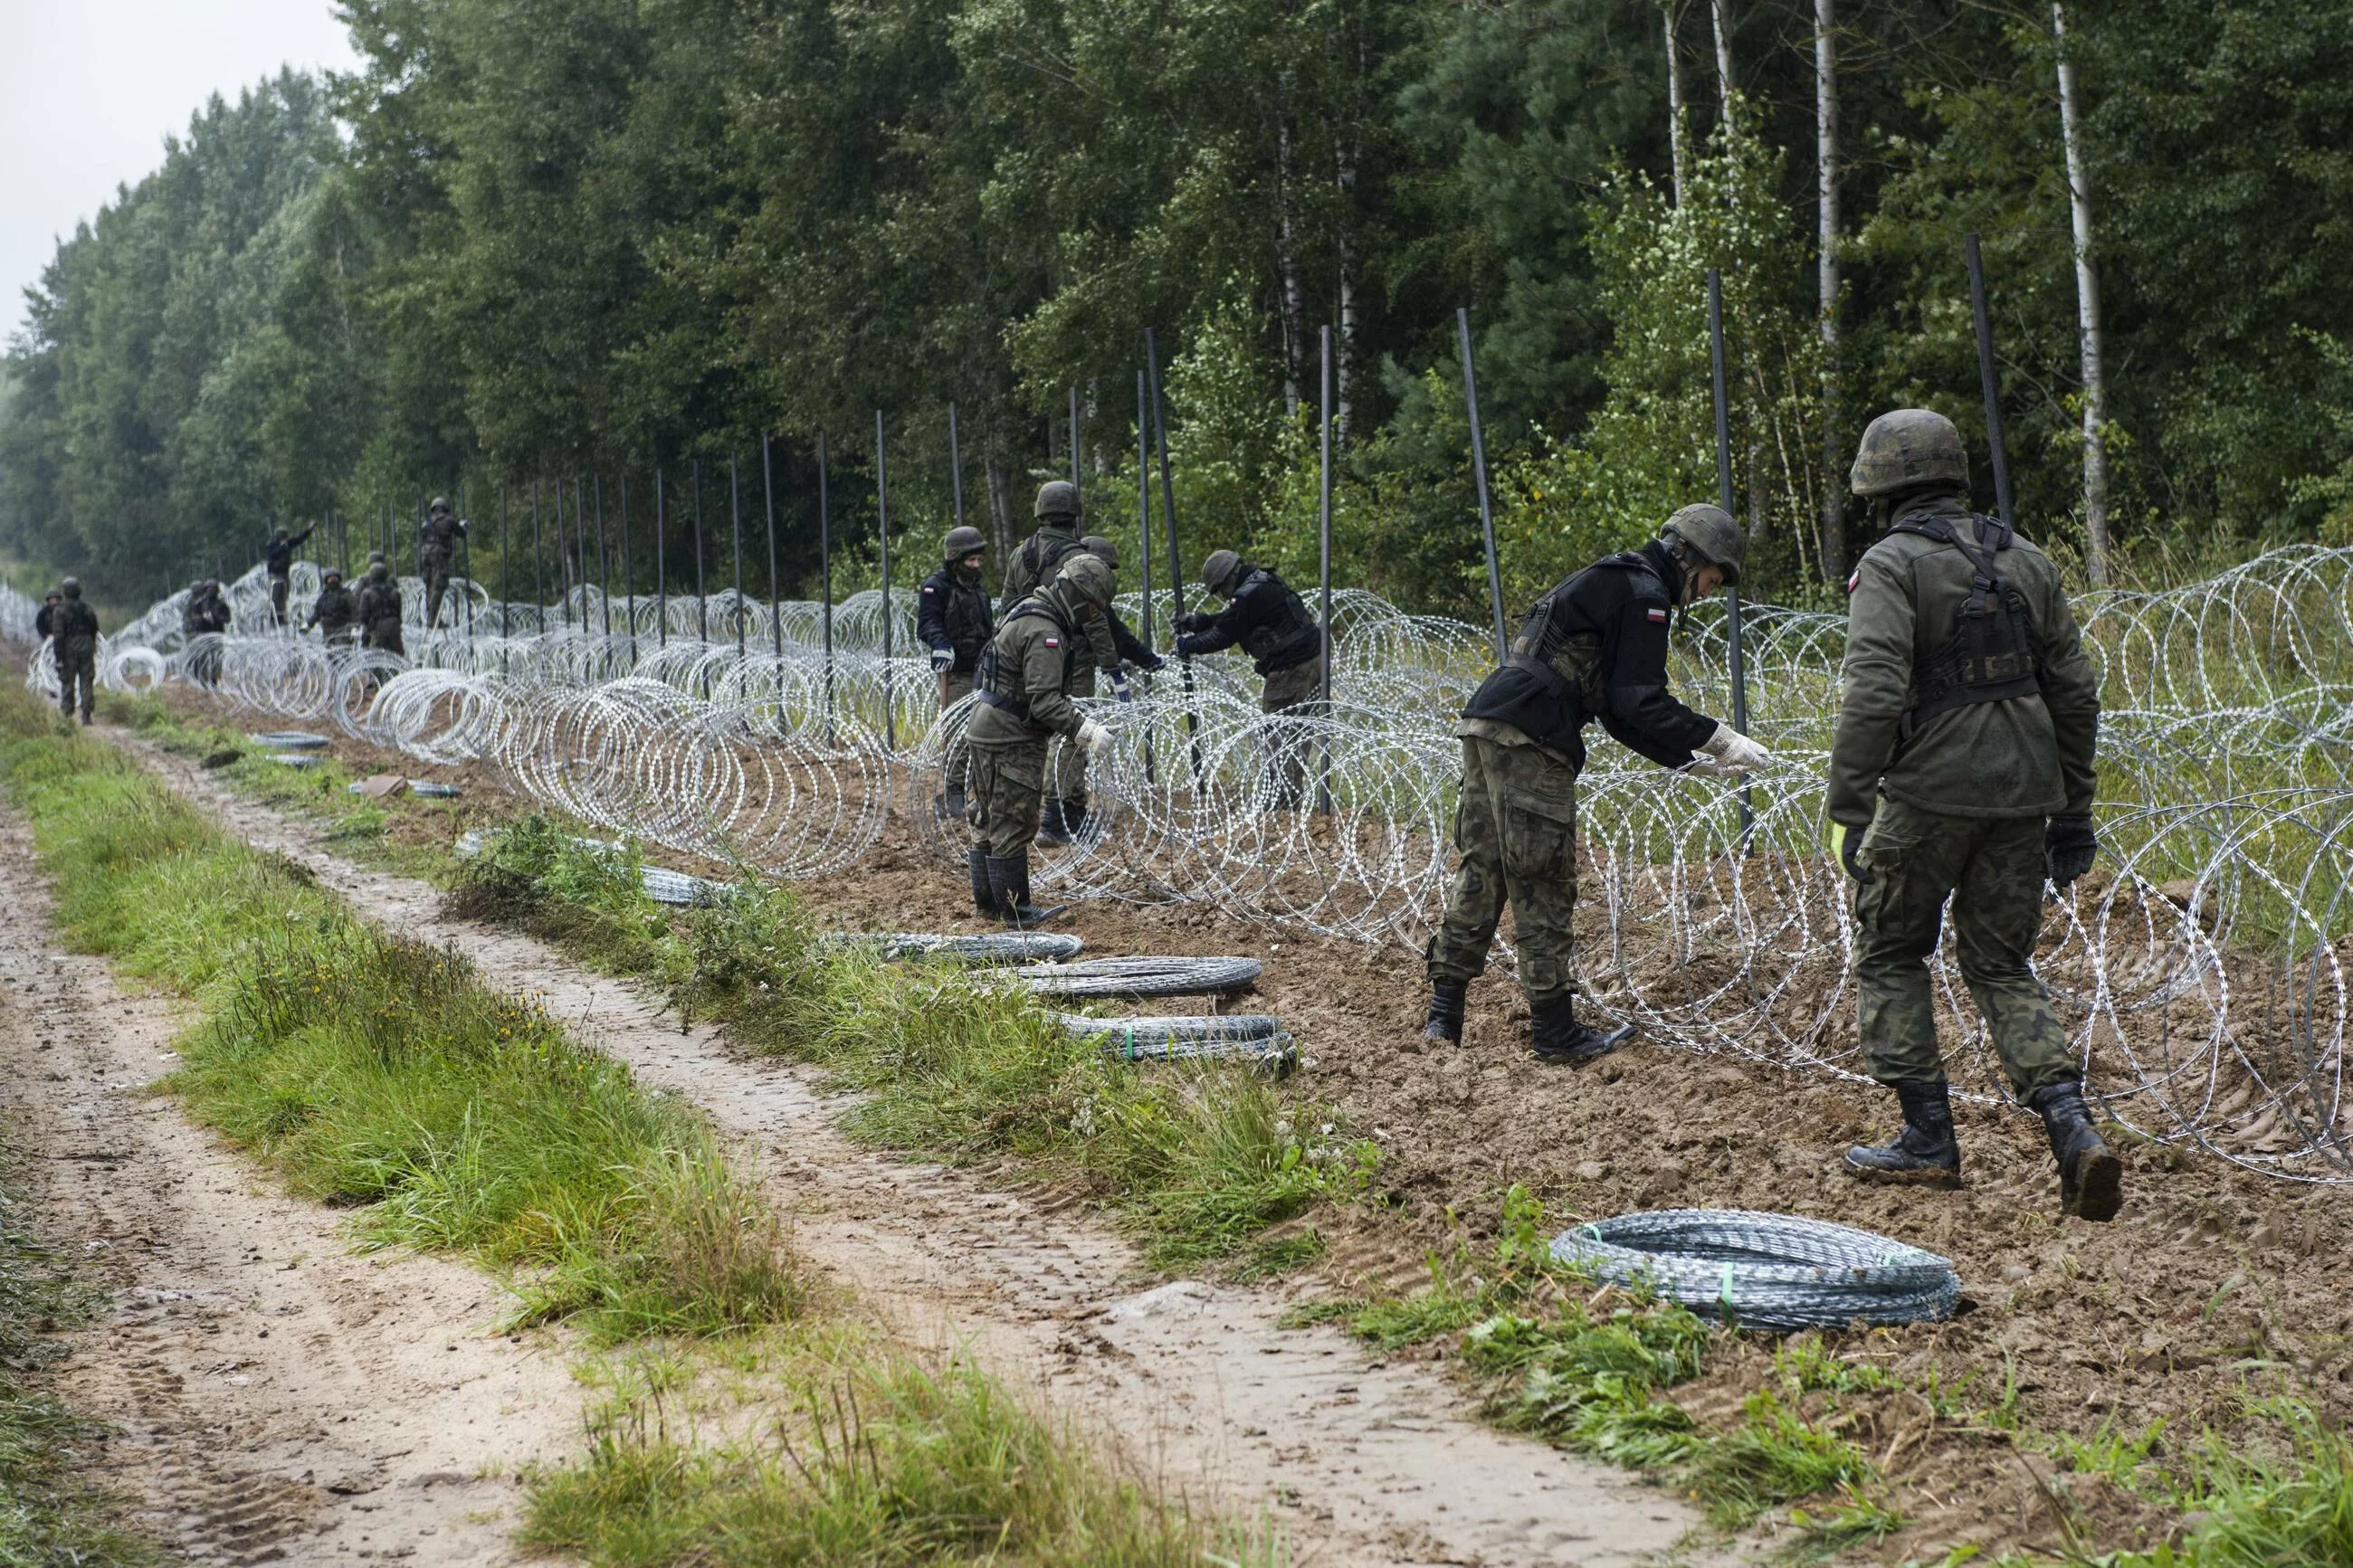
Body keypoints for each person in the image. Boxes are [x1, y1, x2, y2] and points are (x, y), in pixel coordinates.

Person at [1829, 408, 2115, 1221]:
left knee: (1890, 950)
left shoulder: (1891, 565)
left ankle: (1927, 1136)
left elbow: (1875, 691)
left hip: (1927, 794)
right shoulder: (2025, 557)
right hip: (2027, 792)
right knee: (2000, 966)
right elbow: (2075, 691)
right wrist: (2074, 809)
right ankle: (2071, 1128)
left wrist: (1849, 807)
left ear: (1882, 487)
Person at [1422, 506, 1769, 1062]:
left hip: (1488, 723)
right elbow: (1640, 699)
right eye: (1713, 579)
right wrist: (1718, 737)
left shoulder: (1617, 578)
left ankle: (1444, 1016)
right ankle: (1555, 1032)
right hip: (1533, 736)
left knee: (1483, 869)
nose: (1708, 592)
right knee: (1542, 878)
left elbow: (1614, 707)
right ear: (1692, 558)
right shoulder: (1645, 594)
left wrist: (1687, 760)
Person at [965, 553, 1118, 925]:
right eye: (1094, 607)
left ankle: (989, 905)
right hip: (1012, 737)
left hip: (986, 727)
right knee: (1014, 822)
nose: (1095, 616)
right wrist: (1087, 732)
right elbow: (1045, 701)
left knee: (985, 817)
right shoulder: (1045, 630)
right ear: (1079, 597)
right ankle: (1017, 912)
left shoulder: (1026, 610)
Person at [1034, 533, 1163, 847]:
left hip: (1072, 659)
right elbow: (1104, 630)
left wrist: (1146, 659)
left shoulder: (1045, 568)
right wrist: (1114, 670)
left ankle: (1072, 809)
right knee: (1071, 735)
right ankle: (1056, 815)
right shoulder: (1079, 594)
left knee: (1075, 737)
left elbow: (1115, 631)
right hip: (1073, 662)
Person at [1172, 550, 1325, 806]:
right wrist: (1198, 622)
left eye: (1221, 589)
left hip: (1291, 670)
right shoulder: (1261, 582)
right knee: (1296, 736)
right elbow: (1233, 620)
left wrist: (1186, 645)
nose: (1223, 596)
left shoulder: (1247, 594)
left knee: (1278, 738)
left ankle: (1282, 805)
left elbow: (1223, 635)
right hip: (1313, 661)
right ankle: (1288, 801)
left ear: (1231, 576)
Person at [918, 525, 996, 819]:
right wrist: (940, 644)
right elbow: (927, 623)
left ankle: (980, 793)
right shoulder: (936, 587)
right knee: (960, 736)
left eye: (978, 560)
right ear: (955, 559)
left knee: (984, 735)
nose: (976, 566)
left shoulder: (979, 591)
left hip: (984, 673)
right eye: (970, 561)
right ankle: (954, 794)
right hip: (957, 675)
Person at [51, 579, 100, 725]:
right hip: (86, 643)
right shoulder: (87, 608)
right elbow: (95, 629)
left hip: (69, 645)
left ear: (65, 592)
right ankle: (86, 714)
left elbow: (58, 636)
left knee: (67, 680)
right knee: (86, 680)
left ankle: (67, 714)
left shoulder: (60, 610)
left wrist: (58, 657)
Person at [417, 498, 469, 629]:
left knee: (429, 585)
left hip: (425, 554)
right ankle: (433, 619)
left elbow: (422, 538)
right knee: (438, 586)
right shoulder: (449, 520)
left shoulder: (426, 522)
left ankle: (431, 616)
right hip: (438, 555)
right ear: (445, 508)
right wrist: (464, 525)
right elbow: (461, 533)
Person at [262, 523, 315, 626]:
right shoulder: (271, 545)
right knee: (275, 595)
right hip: (275, 574)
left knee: (284, 594)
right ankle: (273, 617)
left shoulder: (287, 543)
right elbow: (272, 555)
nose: (284, 538)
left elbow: (299, 539)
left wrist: (309, 530)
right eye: (282, 536)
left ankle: (282, 616)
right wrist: (282, 547)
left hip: (284, 572)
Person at [181, 580, 230, 687]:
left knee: (216, 659)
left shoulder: (221, 604)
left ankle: (214, 680)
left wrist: (217, 618)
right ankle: (202, 680)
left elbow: (227, 618)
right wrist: (203, 618)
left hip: (217, 634)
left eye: (212, 589)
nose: (210, 591)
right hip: (205, 635)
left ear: (216, 590)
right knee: (203, 658)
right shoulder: (201, 604)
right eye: (208, 589)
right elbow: (193, 617)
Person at [357, 561, 406, 660]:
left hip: (378, 628)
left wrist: (369, 628)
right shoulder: (395, 591)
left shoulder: (367, 593)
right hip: (394, 626)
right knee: (397, 657)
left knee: (376, 658)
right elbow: (398, 612)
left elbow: (363, 616)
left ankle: (377, 675)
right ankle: (397, 673)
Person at [305, 567, 359, 645]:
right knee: (330, 654)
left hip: (343, 630)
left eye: (334, 578)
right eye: (330, 579)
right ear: (326, 580)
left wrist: (355, 627)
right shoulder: (323, 597)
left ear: (338, 579)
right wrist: (308, 625)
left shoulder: (346, 594)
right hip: (327, 632)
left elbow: (355, 611)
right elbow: (317, 614)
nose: (332, 581)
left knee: (342, 652)